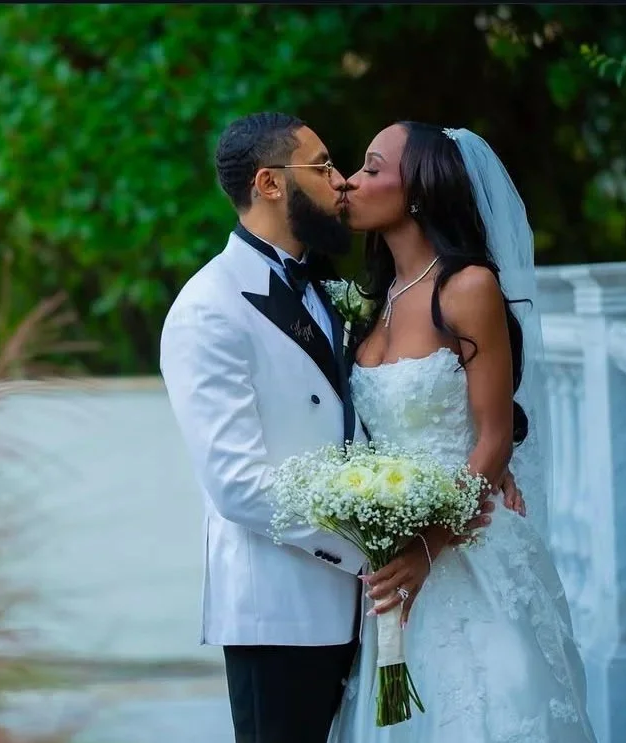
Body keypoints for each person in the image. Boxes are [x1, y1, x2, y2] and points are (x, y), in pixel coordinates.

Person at [158, 112, 512, 743]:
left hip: (367, 607)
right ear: (270, 183)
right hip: (284, 609)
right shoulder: (208, 309)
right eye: (322, 167)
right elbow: (237, 486)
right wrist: (374, 551)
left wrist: (483, 470)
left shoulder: (338, 291)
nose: (340, 181)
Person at [327, 121, 596, 742]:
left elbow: (494, 438)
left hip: (466, 543)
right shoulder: (375, 299)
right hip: (392, 558)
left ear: (417, 189)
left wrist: (429, 544)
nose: (351, 182)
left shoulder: (468, 286)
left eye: (371, 168)